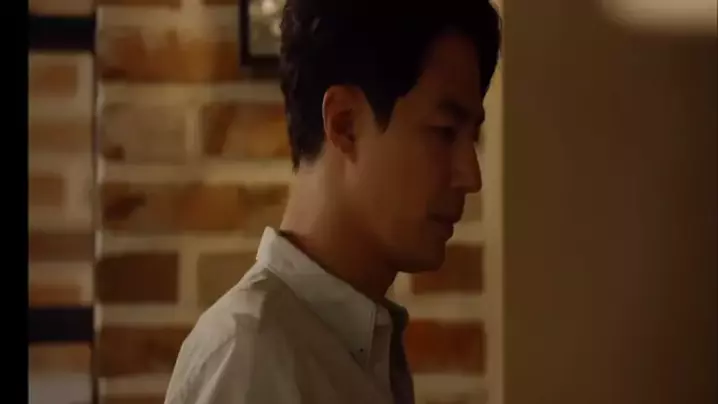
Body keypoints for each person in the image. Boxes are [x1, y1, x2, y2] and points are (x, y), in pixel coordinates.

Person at [163, 0, 501, 402]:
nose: (470, 176)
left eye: (471, 138)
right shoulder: (249, 360)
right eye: (445, 132)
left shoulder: (361, 344)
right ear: (344, 124)